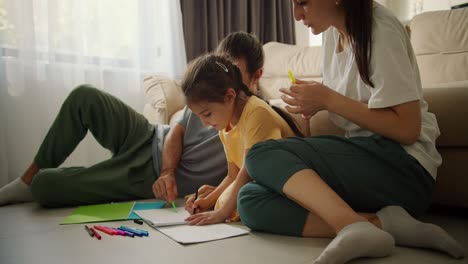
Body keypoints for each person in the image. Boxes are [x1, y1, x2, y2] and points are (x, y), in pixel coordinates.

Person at [234, 1, 466, 264]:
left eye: (302, 3)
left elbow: (407, 129)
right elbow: (350, 100)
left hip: (404, 167)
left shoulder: (380, 28)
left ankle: (349, 225)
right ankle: (382, 224)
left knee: (259, 154)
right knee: (250, 200)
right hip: (367, 163)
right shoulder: (334, 34)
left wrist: (328, 100)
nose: (296, 15)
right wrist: (315, 99)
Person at [0, 31, 261, 208]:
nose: (226, 82)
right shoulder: (209, 92)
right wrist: (168, 172)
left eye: (235, 74)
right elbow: (177, 131)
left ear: (256, 76)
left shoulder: (259, 117)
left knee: (45, 186)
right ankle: (26, 178)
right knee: (84, 97)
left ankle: (48, 181)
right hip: (147, 135)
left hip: (143, 174)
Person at [181, 53, 303, 225]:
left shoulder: (255, 112)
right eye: (199, 116)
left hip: (291, 185)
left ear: (230, 96)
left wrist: (221, 213)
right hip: (265, 183)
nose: (205, 123)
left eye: (207, 114)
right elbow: (233, 175)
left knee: (240, 201)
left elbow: (247, 174)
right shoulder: (226, 127)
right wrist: (207, 201)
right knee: (225, 200)